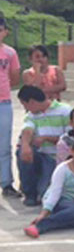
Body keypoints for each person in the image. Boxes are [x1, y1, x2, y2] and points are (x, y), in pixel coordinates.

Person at [24, 133, 74, 238]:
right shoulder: (63, 169)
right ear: (72, 151)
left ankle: (63, 219)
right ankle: (40, 226)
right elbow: (54, 193)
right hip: (59, 201)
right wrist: (44, 213)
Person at [17, 85, 71, 207]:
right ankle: (30, 194)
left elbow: (70, 138)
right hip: (40, 155)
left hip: (57, 158)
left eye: (24, 104)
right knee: (21, 152)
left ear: (31, 102)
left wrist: (46, 138)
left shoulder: (65, 111)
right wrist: (25, 146)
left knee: (46, 194)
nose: (25, 108)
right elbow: (27, 130)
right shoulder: (32, 115)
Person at [0, 17, 21, 197]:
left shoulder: (10, 53)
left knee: (4, 145)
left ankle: (6, 183)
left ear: (6, 32)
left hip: (3, 103)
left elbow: (15, 78)